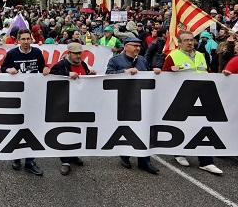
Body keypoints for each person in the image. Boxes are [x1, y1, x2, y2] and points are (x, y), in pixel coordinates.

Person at [162, 31, 223, 175]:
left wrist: (224, 76)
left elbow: (208, 72)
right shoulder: (172, 56)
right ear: (180, 43)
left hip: (203, 97)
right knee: (182, 126)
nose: (190, 42)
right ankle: (178, 152)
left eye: (191, 40)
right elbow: (163, 79)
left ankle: (206, 162)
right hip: (182, 98)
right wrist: (170, 71)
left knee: (203, 128)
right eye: (186, 40)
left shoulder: (202, 55)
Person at [106, 37, 161, 175]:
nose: (137, 48)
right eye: (134, 45)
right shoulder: (115, 60)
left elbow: (147, 73)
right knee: (127, 128)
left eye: (139, 45)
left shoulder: (142, 60)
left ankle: (145, 161)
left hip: (142, 100)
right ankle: (125, 155)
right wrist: (124, 72)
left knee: (144, 129)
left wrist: (155, 72)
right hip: (124, 100)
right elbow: (108, 75)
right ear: (125, 46)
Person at [0, 29, 49, 176]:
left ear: (31, 40)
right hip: (17, 96)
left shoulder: (37, 53)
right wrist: (8, 69)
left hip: (34, 97)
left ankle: (30, 161)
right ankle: (16, 156)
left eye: (28, 39)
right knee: (17, 127)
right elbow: (2, 67)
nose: (26, 41)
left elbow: (42, 68)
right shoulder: (12, 54)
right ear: (18, 41)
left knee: (32, 129)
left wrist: (46, 69)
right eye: (23, 39)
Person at [49, 42, 96, 175]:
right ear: (69, 53)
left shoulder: (83, 64)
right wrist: (66, 74)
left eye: (80, 53)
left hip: (80, 104)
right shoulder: (61, 65)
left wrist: (90, 75)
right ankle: (65, 161)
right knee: (66, 132)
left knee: (78, 130)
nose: (78, 56)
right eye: (75, 53)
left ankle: (73, 155)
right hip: (66, 104)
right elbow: (52, 76)